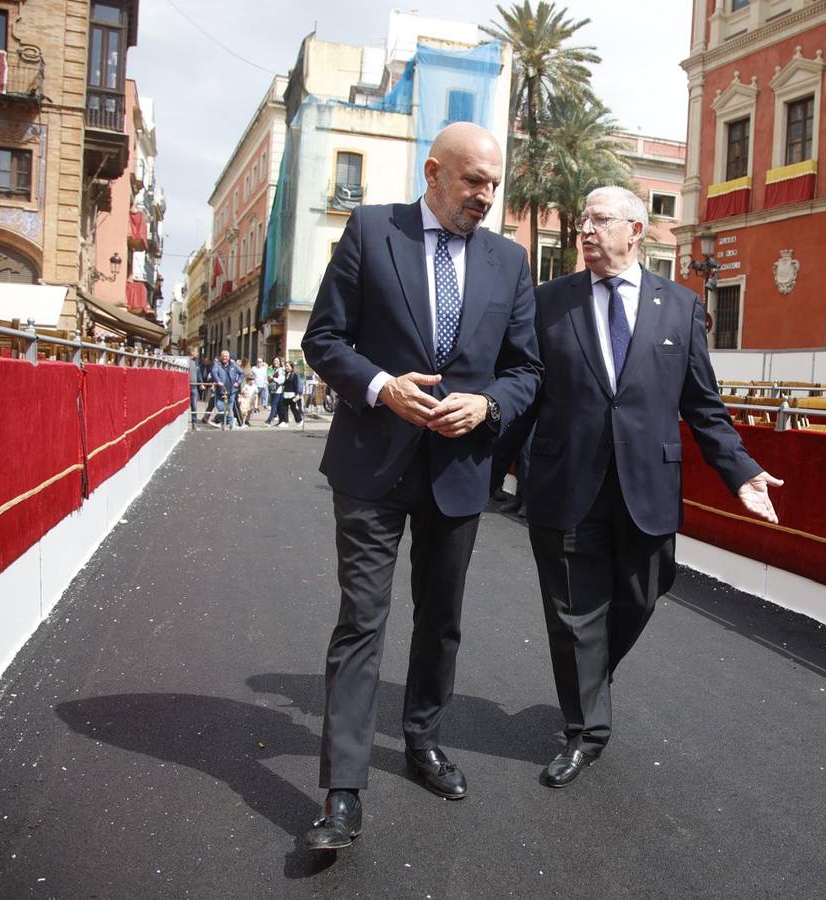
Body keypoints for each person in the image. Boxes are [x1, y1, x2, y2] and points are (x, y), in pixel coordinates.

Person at [299, 121, 540, 851]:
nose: (486, 197)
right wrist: (379, 386)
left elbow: (526, 369)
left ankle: (422, 740)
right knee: (362, 621)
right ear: (434, 172)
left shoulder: (510, 261)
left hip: (459, 471)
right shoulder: (371, 233)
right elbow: (323, 339)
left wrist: (489, 404)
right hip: (373, 462)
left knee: (441, 619)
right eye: (473, 181)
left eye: (494, 184)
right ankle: (343, 791)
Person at [517, 185, 781, 789]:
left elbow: (703, 405)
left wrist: (741, 471)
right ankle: (586, 730)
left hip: (647, 486)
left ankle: (590, 677)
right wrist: (480, 467)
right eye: (582, 218)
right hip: (567, 484)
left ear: (636, 231)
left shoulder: (680, 307)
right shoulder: (546, 302)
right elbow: (525, 392)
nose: (585, 228)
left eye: (601, 219)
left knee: (643, 593)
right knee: (574, 613)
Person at [210, 350, 244, 429]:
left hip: (232, 390)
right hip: (220, 390)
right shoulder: (217, 365)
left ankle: (230, 423)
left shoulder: (233, 365)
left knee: (230, 407)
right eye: (223, 356)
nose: (225, 358)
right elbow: (214, 372)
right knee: (220, 406)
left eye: (226, 356)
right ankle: (230, 420)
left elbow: (242, 373)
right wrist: (218, 381)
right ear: (220, 357)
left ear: (229, 357)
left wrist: (238, 382)